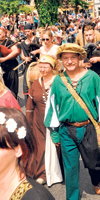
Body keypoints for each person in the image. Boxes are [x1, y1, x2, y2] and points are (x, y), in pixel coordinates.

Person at [44, 43, 100, 200]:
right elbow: (52, 107)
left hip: (88, 128)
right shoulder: (57, 81)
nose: (69, 61)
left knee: (93, 162)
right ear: (61, 60)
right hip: (66, 129)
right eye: (65, 58)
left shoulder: (92, 77)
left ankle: (96, 179)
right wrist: (54, 132)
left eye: (73, 57)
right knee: (70, 168)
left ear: (80, 59)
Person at [26, 55, 63, 186]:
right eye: (40, 66)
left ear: (52, 67)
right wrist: (28, 123)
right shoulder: (36, 83)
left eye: (45, 65)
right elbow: (30, 105)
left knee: (57, 146)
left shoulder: (59, 81)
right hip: (38, 121)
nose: (42, 68)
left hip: (56, 120)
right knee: (40, 147)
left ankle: (57, 171)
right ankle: (42, 174)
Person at [0, 27, 20, 98]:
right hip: (2, 69)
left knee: (12, 88)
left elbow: (15, 51)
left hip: (12, 68)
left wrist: (5, 59)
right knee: (3, 88)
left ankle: (13, 104)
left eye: (0, 34)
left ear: (4, 34)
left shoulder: (9, 42)